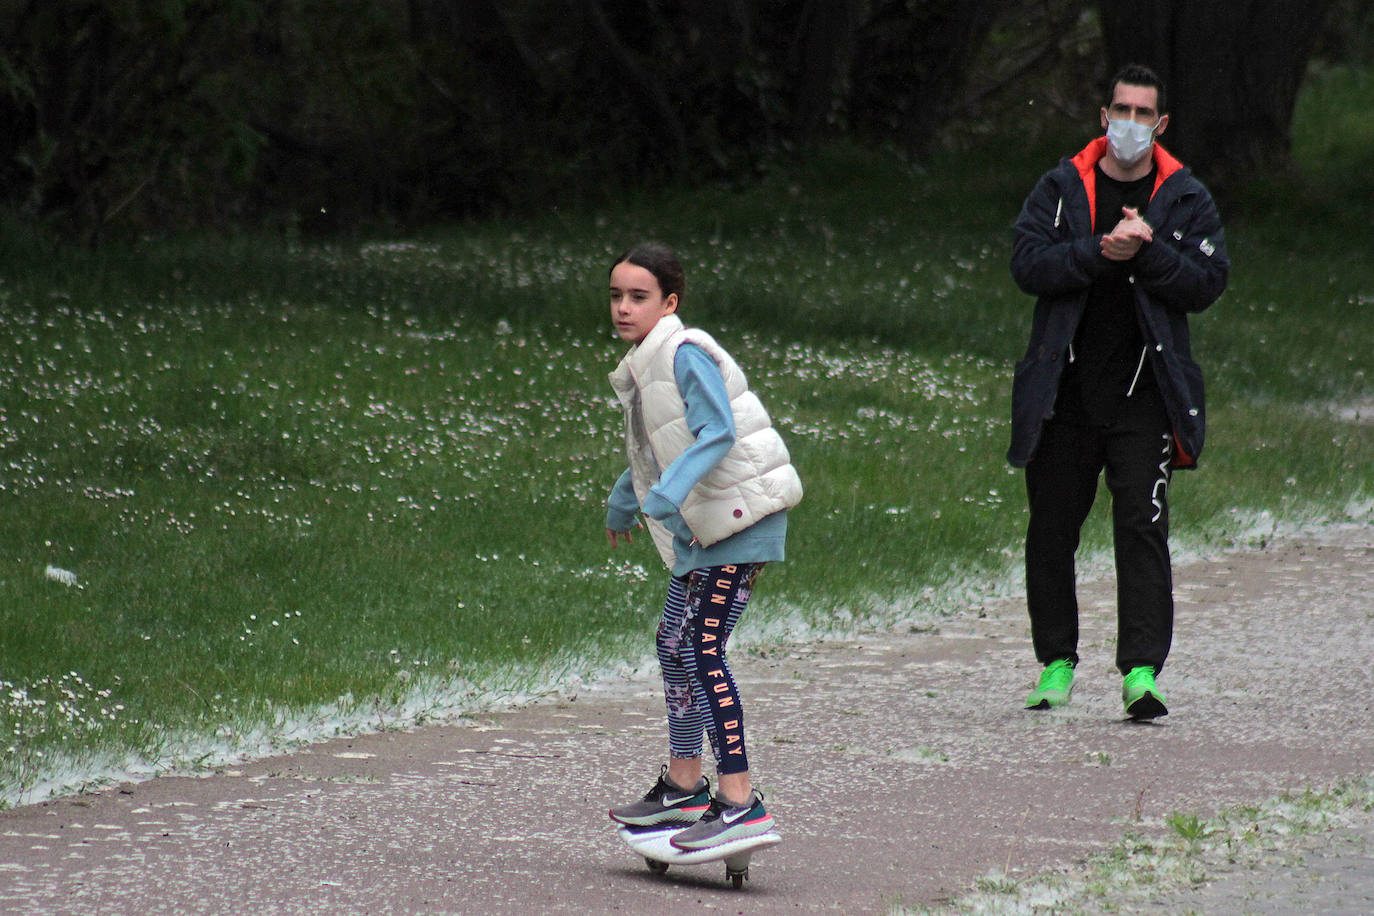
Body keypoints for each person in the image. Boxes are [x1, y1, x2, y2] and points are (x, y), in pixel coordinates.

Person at [1008, 64, 1229, 719]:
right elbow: (1027, 264)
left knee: (1142, 529)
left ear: (1159, 125)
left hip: (1146, 398)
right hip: (1064, 393)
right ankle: (1055, 664)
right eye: (1120, 111)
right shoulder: (1060, 186)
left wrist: (1150, 253)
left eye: (1143, 114)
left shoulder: (1186, 197)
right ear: (1104, 116)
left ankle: (1141, 674)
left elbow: (1208, 282)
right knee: (1051, 530)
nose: (1130, 124)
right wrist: (1100, 253)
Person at [602, 242, 802, 849]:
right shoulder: (645, 360)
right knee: (672, 643)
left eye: (639, 297)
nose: (623, 308)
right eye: (616, 295)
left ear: (670, 303)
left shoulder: (684, 352)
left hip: (738, 522)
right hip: (704, 523)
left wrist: (664, 495)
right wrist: (625, 496)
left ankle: (739, 799)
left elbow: (716, 432)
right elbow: (660, 446)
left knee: (700, 648)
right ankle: (685, 784)